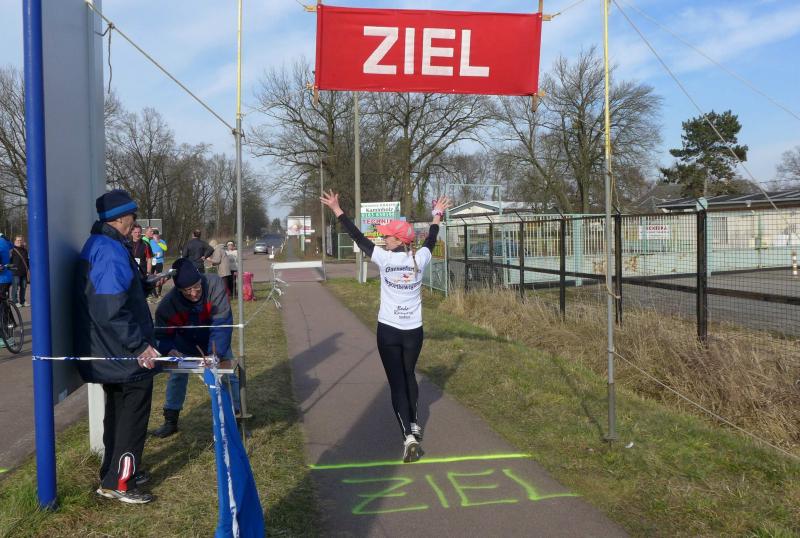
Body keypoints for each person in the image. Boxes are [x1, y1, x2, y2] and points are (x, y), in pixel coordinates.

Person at [321, 191, 452, 462]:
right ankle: (414, 422)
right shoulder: (421, 258)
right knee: (408, 374)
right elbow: (431, 237)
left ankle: (408, 436)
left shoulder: (384, 258)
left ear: (399, 240)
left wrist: (337, 210)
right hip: (413, 331)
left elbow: (357, 236)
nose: (384, 239)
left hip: (389, 331)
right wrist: (437, 215)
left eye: (388, 236)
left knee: (397, 383)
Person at [74, 189, 161, 504]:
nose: (135, 222)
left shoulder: (100, 244)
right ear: (121, 217)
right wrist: (139, 346)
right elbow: (111, 308)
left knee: (118, 412)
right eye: (133, 216)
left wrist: (143, 285)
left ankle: (112, 474)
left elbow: (113, 294)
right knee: (132, 416)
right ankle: (121, 483)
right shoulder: (109, 250)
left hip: (108, 350)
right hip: (120, 352)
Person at [150, 257, 240, 437]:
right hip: (185, 345)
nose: (193, 293)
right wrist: (169, 349)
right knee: (177, 377)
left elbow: (222, 323)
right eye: (187, 290)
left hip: (215, 341)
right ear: (178, 289)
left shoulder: (214, 285)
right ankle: (171, 420)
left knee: (227, 376)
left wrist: (215, 353)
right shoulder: (168, 305)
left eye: (197, 287)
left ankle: (235, 416)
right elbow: (162, 335)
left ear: (200, 279)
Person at [10, 236, 30, 307]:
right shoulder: (12, 250)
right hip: (15, 272)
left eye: (20, 240)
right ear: (14, 241)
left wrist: (28, 269)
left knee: (23, 287)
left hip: (23, 272)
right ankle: (15, 302)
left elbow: (27, 260)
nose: (19, 241)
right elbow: (9, 261)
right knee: (15, 287)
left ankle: (22, 301)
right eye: (18, 240)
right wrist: (12, 269)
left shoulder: (24, 250)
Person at [149, 229, 167, 298]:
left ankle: (159, 292)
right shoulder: (150, 241)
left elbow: (165, 248)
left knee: (160, 277)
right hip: (152, 261)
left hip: (160, 261)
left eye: (157, 234)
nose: (156, 236)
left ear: (159, 235)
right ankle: (153, 292)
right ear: (153, 235)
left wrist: (158, 242)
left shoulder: (162, 241)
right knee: (151, 276)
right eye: (154, 235)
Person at [0, 233, 12, 301]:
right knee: (4, 299)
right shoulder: (5, 242)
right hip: (8, 277)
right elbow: (12, 245)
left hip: (2, 278)